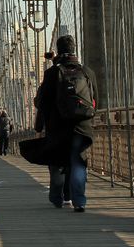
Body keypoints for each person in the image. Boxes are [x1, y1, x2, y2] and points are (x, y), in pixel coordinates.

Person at [34, 35, 96, 212]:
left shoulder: (52, 73)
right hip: (81, 126)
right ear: (75, 48)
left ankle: (57, 197)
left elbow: (42, 102)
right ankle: (79, 201)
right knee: (77, 162)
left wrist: (40, 125)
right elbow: (95, 100)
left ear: (58, 50)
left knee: (57, 160)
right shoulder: (87, 72)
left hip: (57, 126)